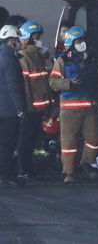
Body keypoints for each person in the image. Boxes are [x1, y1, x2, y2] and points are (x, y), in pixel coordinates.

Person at [49, 26, 98, 183]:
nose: (81, 43)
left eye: (83, 40)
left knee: (94, 139)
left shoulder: (94, 59)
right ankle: (69, 172)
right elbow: (53, 82)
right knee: (69, 142)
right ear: (71, 42)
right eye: (78, 41)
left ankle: (87, 162)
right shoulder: (62, 60)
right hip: (70, 108)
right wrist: (68, 83)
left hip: (91, 108)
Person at [16, 21, 53, 181]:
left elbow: (45, 80)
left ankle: (28, 167)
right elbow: (25, 86)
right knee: (25, 139)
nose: (39, 39)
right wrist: (25, 107)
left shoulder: (38, 56)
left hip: (39, 107)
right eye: (37, 36)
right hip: (31, 108)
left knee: (32, 139)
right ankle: (23, 168)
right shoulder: (24, 58)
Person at [0, 25, 26, 187]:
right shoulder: (9, 60)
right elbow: (12, 86)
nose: (18, 42)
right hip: (9, 110)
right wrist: (20, 107)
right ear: (10, 41)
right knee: (8, 144)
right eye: (16, 39)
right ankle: (7, 175)